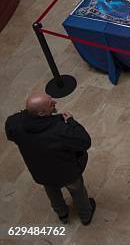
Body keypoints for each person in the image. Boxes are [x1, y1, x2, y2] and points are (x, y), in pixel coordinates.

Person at [5, 93, 96, 225]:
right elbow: (84, 142)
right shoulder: (60, 129)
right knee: (77, 191)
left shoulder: (13, 123)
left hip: (41, 172)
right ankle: (85, 215)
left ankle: (62, 214)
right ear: (41, 113)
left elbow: (12, 135)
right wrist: (72, 122)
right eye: (51, 104)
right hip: (67, 171)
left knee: (52, 191)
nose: (55, 102)